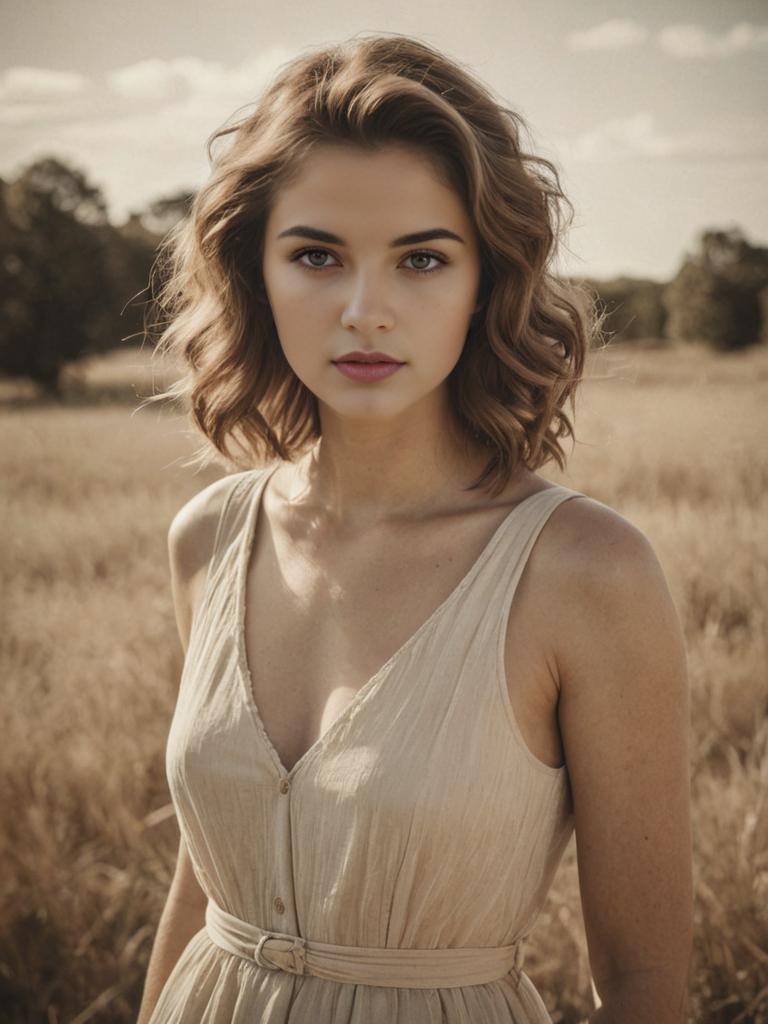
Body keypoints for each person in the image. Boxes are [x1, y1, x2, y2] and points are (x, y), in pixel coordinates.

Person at [137, 32, 693, 1024]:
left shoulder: (583, 570)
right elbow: (209, 873)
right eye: (316, 254)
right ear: (253, 270)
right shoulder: (209, 538)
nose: (365, 311)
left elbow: (647, 986)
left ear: (487, 279)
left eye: (421, 259)